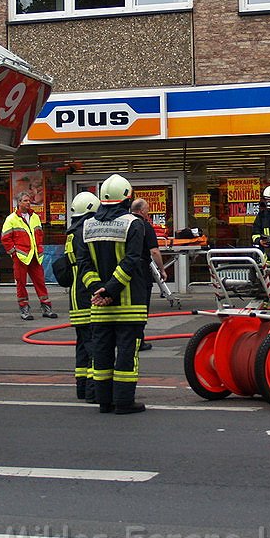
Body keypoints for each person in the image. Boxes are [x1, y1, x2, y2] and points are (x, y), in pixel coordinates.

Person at [77, 173, 149, 415]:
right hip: (129, 305)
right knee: (127, 355)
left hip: (99, 305)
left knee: (102, 355)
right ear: (127, 198)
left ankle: (104, 401)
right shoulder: (134, 224)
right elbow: (132, 260)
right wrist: (111, 289)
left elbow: (83, 264)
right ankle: (124, 402)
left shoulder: (87, 225)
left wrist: (98, 290)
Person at [66, 191, 99, 401]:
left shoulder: (71, 233)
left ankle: (81, 387)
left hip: (75, 297)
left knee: (82, 345)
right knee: (94, 345)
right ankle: (93, 391)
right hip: (87, 295)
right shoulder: (85, 232)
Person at [2, 192, 55, 320]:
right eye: (25, 200)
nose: (28, 202)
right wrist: (13, 253)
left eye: (29, 200)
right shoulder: (11, 219)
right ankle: (24, 308)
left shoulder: (35, 217)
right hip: (21, 257)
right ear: (19, 203)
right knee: (21, 283)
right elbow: (5, 238)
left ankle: (46, 307)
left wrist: (39, 247)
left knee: (40, 282)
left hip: (35, 256)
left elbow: (39, 234)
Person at [131, 198, 165, 351]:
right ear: (142, 211)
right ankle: (139, 340)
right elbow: (154, 251)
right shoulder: (145, 226)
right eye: (147, 210)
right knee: (142, 306)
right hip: (141, 271)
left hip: (125, 270)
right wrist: (162, 270)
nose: (149, 212)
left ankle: (127, 339)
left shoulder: (125, 224)